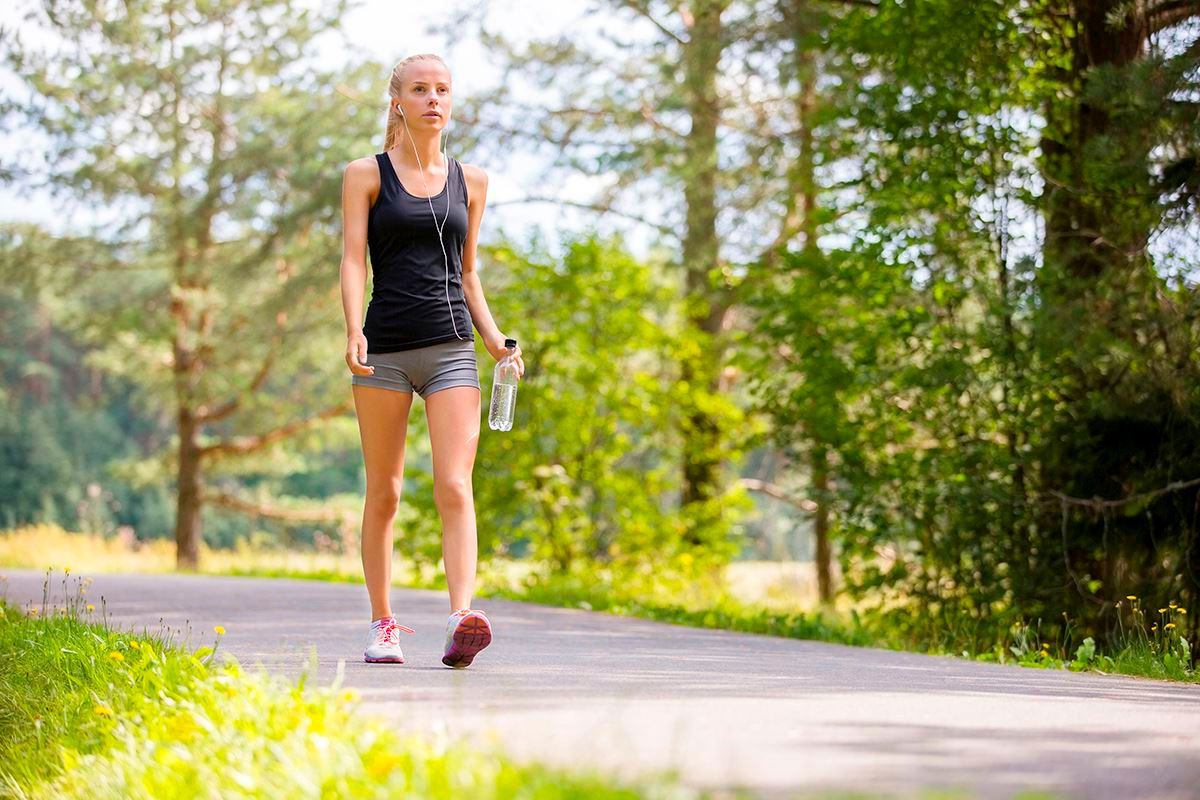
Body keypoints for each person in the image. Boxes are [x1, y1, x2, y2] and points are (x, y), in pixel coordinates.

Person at [339, 53, 524, 668]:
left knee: (453, 483)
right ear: (399, 101)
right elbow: (352, 260)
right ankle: (383, 624)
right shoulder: (365, 175)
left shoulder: (471, 182)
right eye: (420, 90)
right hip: (384, 349)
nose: (433, 100)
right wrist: (351, 329)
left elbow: (468, 274)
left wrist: (496, 341)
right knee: (385, 492)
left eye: (442, 90)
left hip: (451, 350)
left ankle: (459, 617)